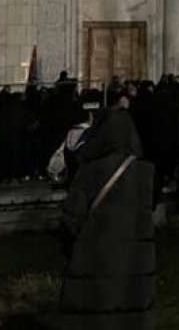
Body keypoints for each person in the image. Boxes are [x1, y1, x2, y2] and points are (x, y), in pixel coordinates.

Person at [58, 100, 155, 329]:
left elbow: (71, 220)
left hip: (95, 265)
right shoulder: (145, 173)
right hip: (135, 269)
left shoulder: (91, 171)